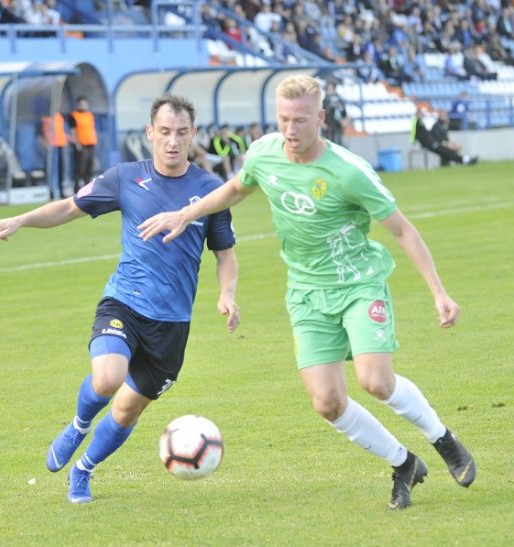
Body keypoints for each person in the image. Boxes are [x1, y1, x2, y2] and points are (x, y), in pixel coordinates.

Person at [139, 75, 476, 511]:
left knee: (375, 381)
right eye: (283, 119)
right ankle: (403, 463)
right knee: (328, 402)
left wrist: (439, 293)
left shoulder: (349, 171)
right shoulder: (264, 153)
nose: (291, 130)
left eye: (300, 120)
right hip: (306, 294)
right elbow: (237, 188)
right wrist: (188, 214)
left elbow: (403, 231)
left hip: (357, 284)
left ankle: (443, 440)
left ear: (320, 117)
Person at [0, 95, 240, 504]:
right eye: (164, 133)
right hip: (124, 301)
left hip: (172, 324)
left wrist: (227, 294)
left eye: (181, 133)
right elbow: (69, 209)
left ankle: (83, 472)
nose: (172, 142)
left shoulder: (211, 192)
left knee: (126, 411)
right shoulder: (124, 178)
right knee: (106, 378)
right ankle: (79, 423)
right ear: (149, 133)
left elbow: (225, 254)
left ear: (192, 135)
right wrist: (21, 219)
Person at [412, 108, 478, 167]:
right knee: (445, 151)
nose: (422, 115)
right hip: (431, 144)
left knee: (446, 151)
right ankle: (464, 160)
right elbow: (421, 135)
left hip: (434, 143)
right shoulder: (418, 123)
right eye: (420, 114)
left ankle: (460, 160)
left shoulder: (423, 123)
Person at [68, 96, 98, 193]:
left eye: (85, 103)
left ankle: (88, 187)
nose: (84, 105)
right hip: (81, 145)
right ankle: (76, 188)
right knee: (80, 168)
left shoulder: (89, 115)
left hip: (91, 144)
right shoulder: (74, 115)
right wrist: (77, 144)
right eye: (81, 103)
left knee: (89, 166)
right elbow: (72, 131)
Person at [322, 81, 349, 146]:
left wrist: (344, 120)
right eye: (329, 88)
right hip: (327, 126)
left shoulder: (339, 100)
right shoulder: (325, 100)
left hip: (337, 126)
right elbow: (321, 111)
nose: (330, 90)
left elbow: (344, 113)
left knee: (338, 143)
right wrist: (322, 123)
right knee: (328, 144)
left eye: (332, 87)